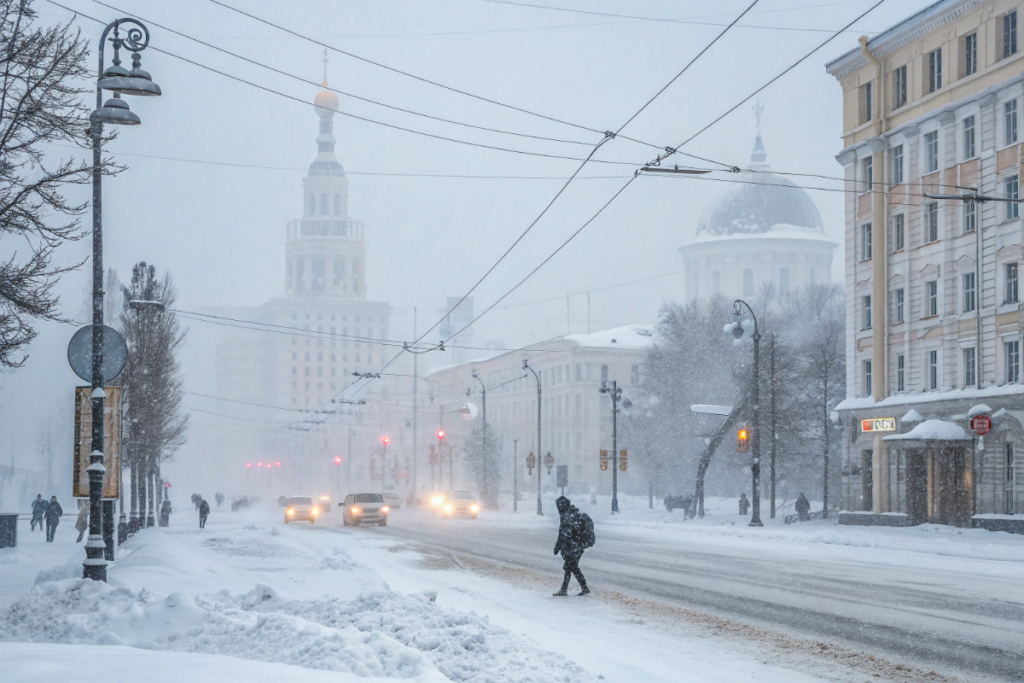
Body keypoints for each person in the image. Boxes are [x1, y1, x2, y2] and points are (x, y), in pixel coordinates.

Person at [553, 496, 591, 597]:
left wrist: (558, 546)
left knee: (570, 567)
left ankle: (565, 590)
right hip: (578, 546)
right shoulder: (574, 514)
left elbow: (563, 534)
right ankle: (583, 588)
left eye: (559, 506)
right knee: (572, 568)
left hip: (571, 548)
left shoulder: (566, 516)